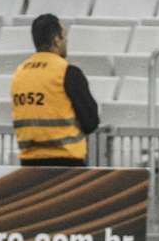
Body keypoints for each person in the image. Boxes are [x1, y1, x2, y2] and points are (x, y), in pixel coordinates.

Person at [11, 14, 99, 167]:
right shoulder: (67, 72)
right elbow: (91, 122)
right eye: (64, 36)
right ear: (57, 40)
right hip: (67, 164)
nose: (66, 41)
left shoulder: (19, 73)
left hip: (28, 165)